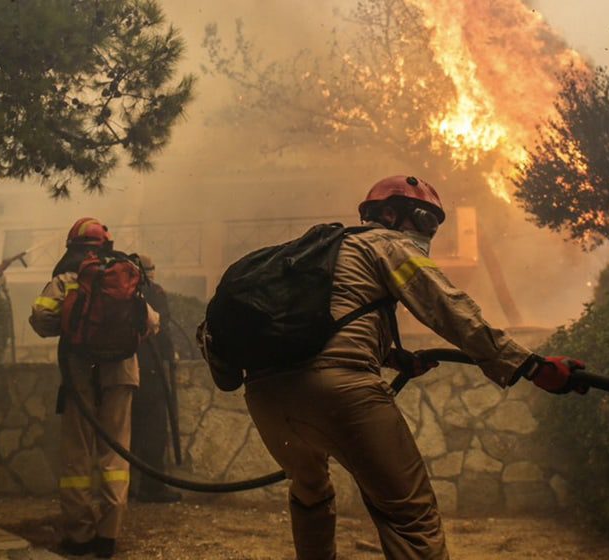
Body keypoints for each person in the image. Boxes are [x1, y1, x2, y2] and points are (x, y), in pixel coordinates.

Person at [209, 175, 588, 560]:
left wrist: (393, 358)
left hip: (266, 399)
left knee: (310, 491)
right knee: (411, 519)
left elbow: (322, 325)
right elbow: (446, 306)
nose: (429, 232)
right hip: (338, 393)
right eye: (424, 220)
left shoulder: (316, 255)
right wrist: (529, 365)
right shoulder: (387, 244)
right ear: (389, 213)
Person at [29, 217, 159, 558]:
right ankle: (109, 535)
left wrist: (71, 328)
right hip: (121, 375)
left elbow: (40, 319)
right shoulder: (124, 273)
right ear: (106, 244)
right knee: (116, 453)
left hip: (79, 375)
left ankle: (81, 534)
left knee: (77, 455)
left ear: (72, 244)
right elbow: (151, 322)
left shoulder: (67, 277)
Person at [130, 254, 182, 503]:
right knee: (154, 430)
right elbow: (163, 331)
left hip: (124, 369)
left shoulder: (120, 293)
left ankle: (126, 489)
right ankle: (152, 488)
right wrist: (171, 356)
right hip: (151, 371)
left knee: (127, 432)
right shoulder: (154, 293)